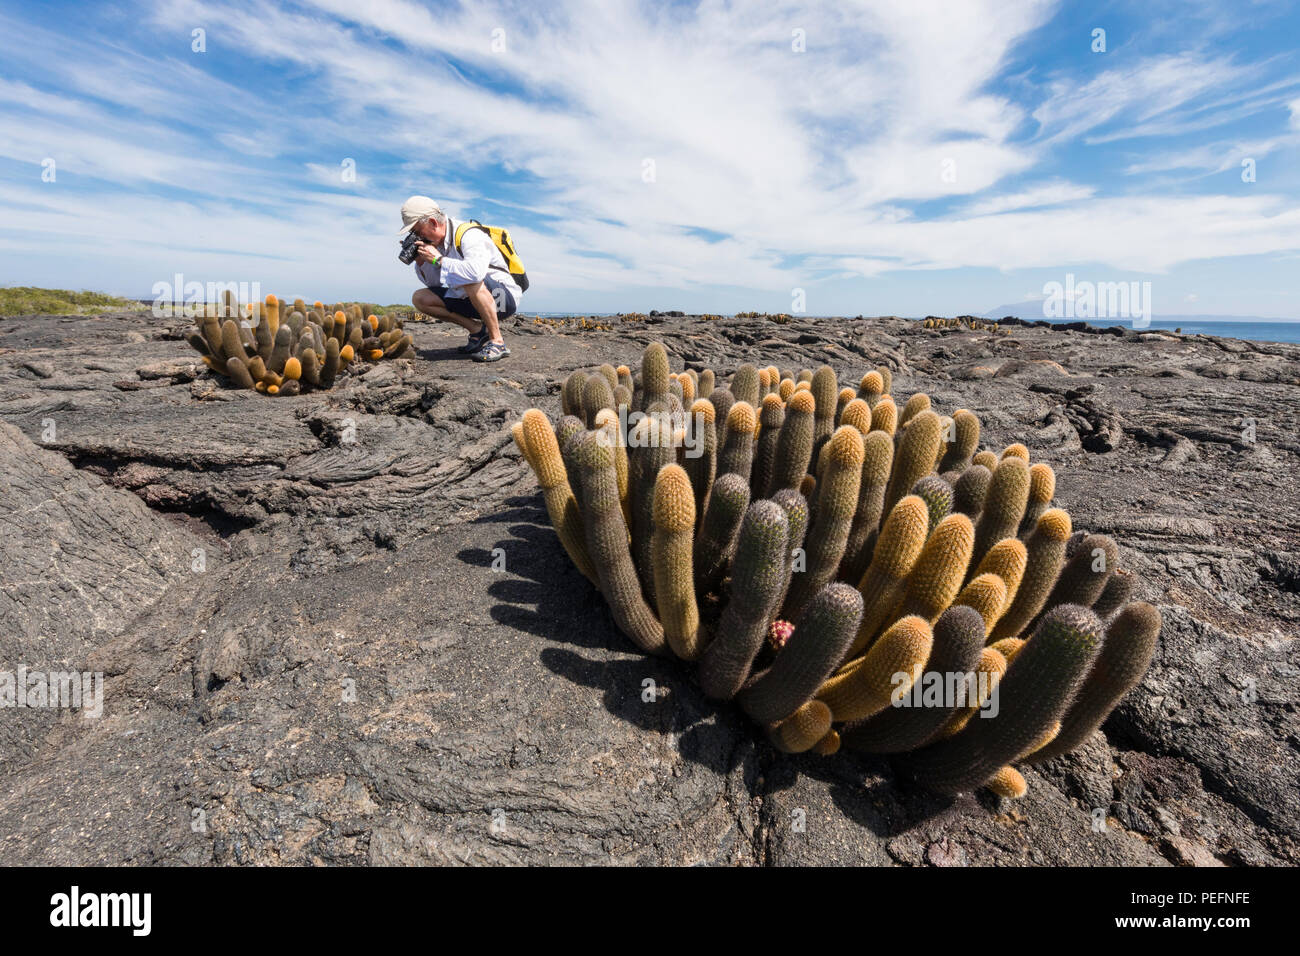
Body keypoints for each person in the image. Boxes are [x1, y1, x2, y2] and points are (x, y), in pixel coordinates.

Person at [397, 196, 522, 362]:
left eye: (418, 231)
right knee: (420, 298)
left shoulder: (469, 235)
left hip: (502, 299)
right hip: (470, 298)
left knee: (469, 278)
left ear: (433, 222)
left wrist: (438, 260)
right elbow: (434, 284)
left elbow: (475, 274)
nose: (417, 236)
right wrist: (422, 262)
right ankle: (477, 330)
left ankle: (497, 342)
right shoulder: (437, 243)